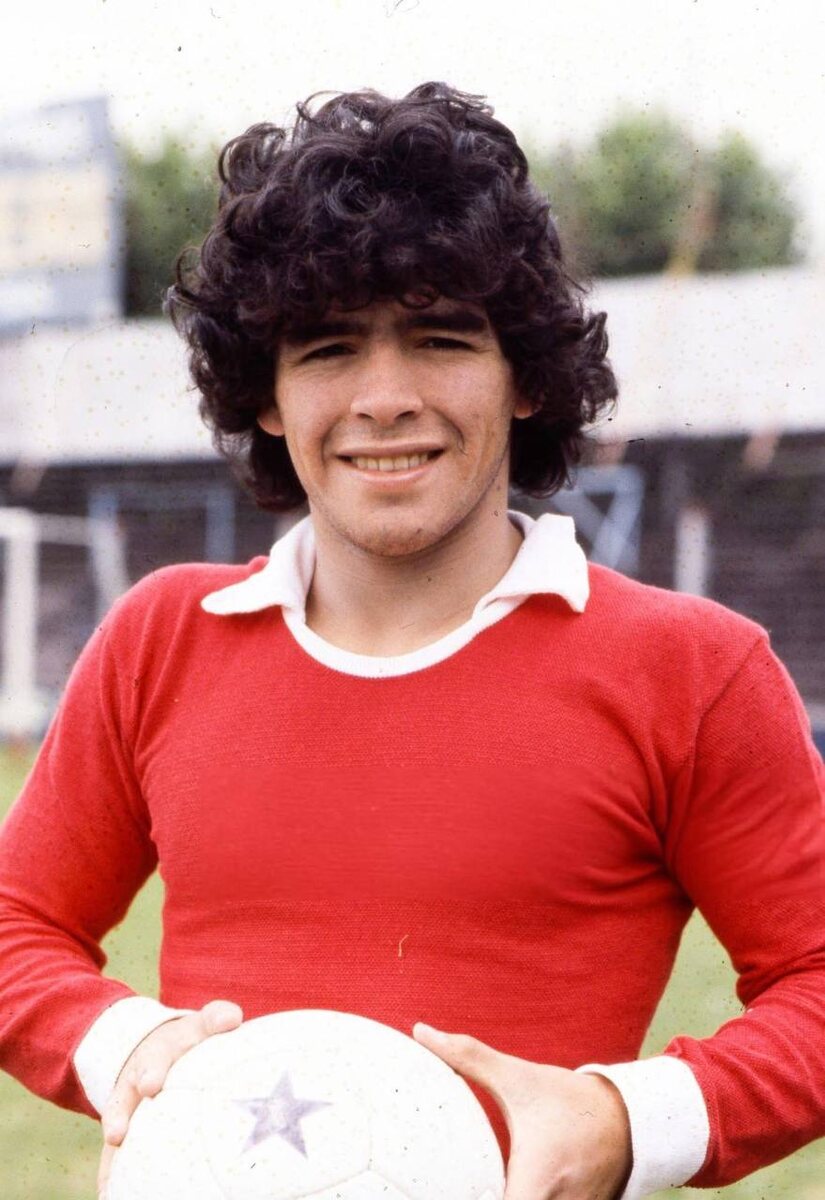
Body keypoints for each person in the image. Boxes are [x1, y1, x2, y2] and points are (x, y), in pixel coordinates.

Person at [0, 82, 822, 1200]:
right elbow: (19, 925)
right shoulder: (161, 638)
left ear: (525, 376)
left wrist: (629, 1118)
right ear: (266, 397)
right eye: (328, 349)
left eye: (441, 339)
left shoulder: (692, 671)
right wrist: (124, 1046)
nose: (385, 398)